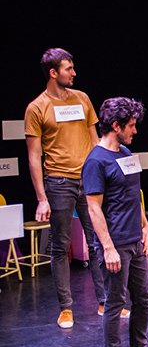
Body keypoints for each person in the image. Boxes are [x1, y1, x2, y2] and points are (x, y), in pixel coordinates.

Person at [24, 48, 121, 329]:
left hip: (88, 180)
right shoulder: (36, 108)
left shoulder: (82, 99)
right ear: (53, 73)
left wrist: (104, 177)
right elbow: (34, 156)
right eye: (69, 69)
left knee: (98, 241)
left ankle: (105, 301)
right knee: (60, 245)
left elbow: (96, 143)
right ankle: (66, 308)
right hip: (58, 182)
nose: (74, 73)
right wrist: (41, 198)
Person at [83, 97, 148, 347]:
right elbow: (93, 208)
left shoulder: (126, 152)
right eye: (130, 125)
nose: (135, 130)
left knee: (144, 296)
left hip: (135, 240)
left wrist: (145, 226)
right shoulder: (96, 161)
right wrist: (107, 248)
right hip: (116, 243)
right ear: (116, 125)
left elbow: (133, 193)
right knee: (115, 301)